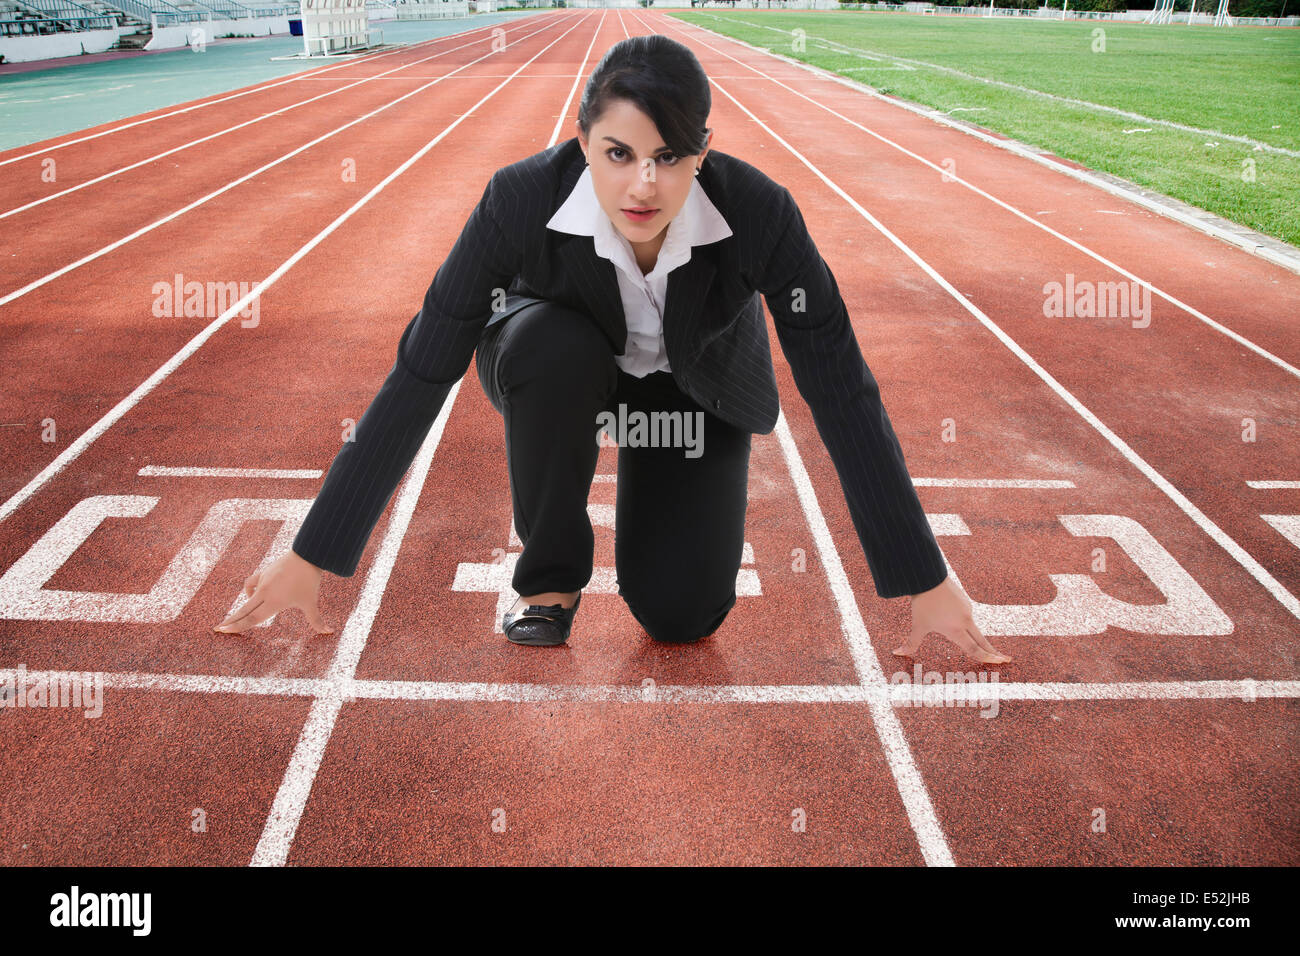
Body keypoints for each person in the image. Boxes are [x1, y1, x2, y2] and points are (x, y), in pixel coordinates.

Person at [215, 35, 1011, 665]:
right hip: (562, 357)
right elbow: (426, 363)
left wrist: (923, 577)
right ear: (586, 142)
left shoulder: (761, 214)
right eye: (619, 153)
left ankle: (660, 547)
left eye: (669, 157)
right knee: (552, 349)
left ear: (703, 150)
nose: (643, 186)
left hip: (692, 389)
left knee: (683, 616)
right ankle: (548, 586)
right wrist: (314, 554)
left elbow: (842, 387)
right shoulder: (518, 199)